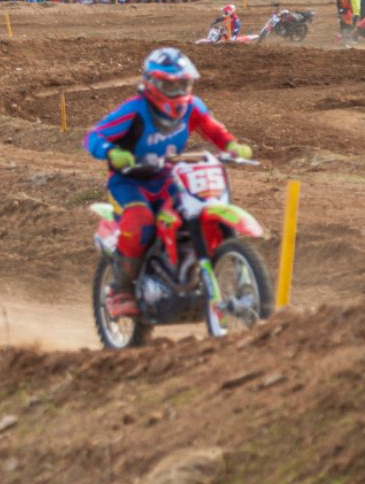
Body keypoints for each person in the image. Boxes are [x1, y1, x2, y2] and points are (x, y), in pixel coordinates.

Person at [84, 48, 252, 318]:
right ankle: (120, 290)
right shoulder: (134, 111)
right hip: (128, 182)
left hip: (166, 178)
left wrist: (231, 145)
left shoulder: (192, 107)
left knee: (192, 211)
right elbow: (94, 136)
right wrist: (111, 151)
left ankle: (189, 269)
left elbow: (211, 127)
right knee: (141, 222)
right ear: (152, 84)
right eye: (169, 85)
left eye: (182, 84)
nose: (177, 92)